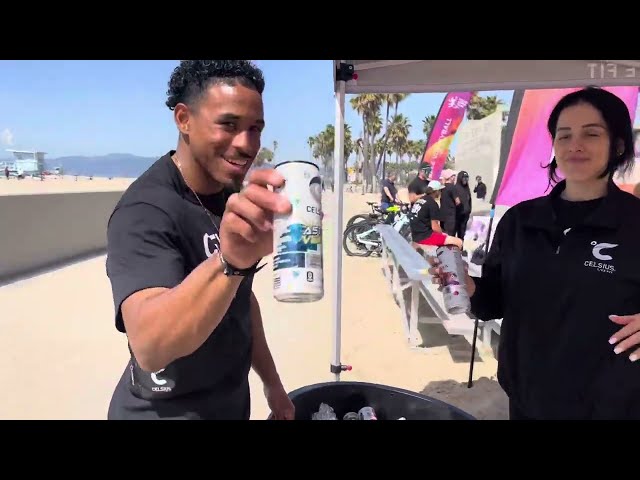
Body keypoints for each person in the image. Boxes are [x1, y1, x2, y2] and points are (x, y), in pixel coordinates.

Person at [428, 87, 640, 420]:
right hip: (527, 403)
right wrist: (468, 286)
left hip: (610, 408)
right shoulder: (520, 221)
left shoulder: (634, 223)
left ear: (618, 144)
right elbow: (493, 303)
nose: (575, 145)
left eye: (592, 134)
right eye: (564, 135)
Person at [105, 60, 295, 420]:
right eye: (229, 125)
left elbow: (242, 302)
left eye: (255, 128)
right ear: (184, 119)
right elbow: (150, 345)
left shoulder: (230, 197)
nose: (246, 144)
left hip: (231, 406)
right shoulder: (145, 209)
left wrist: (273, 385)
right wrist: (229, 261)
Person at [408, 180, 462, 250]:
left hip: (415, 235)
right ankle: (456, 260)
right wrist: (443, 234)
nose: (440, 192)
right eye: (440, 190)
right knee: (458, 242)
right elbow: (435, 227)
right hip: (425, 237)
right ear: (436, 191)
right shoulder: (432, 203)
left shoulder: (420, 200)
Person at [438, 169, 460, 236]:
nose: (455, 178)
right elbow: (458, 201)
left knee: (443, 236)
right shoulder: (452, 187)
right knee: (450, 237)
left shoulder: (442, 187)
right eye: (454, 176)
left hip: (442, 216)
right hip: (450, 216)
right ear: (451, 177)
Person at [454, 170, 472, 245]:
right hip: (458, 215)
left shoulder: (466, 188)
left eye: (466, 178)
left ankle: (460, 247)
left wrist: (469, 210)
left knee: (462, 233)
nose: (465, 180)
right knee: (457, 233)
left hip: (465, 215)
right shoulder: (455, 188)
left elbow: (469, 200)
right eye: (463, 178)